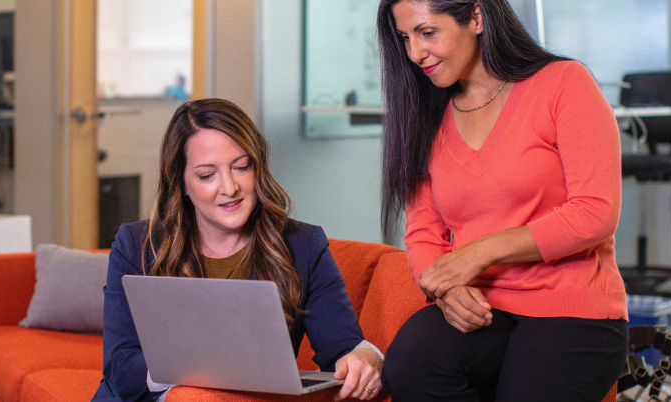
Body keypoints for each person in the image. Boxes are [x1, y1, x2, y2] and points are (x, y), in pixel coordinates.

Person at [375, 1, 628, 401]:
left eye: (427, 33)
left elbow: (595, 212)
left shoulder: (563, 83)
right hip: (483, 307)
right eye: (405, 38)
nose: (414, 53)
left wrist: (479, 253)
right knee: (410, 364)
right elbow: (423, 233)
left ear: (476, 17)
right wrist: (446, 291)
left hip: (570, 307)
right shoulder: (425, 113)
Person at [93, 98, 383, 402]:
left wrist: (364, 358)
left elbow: (342, 348)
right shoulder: (137, 244)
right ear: (181, 183)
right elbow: (121, 370)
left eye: (241, 167)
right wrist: (198, 376)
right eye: (207, 175)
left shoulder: (304, 245)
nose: (229, 188)